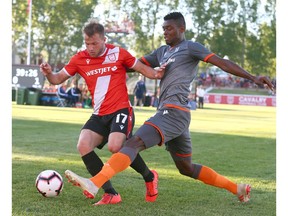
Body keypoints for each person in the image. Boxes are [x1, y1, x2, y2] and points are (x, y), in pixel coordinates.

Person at [64, 12, 275, 203]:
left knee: (133, 142)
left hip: (173, 111)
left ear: (181, 29)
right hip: (174, 116)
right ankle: (236, 188)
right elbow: (131, 65)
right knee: (186, 168)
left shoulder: (191, 47)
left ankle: (96, 182)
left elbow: (221, 63)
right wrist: (101, 63)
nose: (165, 32)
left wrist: (252, 77)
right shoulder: (162, 51)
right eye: (163, 28)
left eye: (170, 28)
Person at [40, 19, 164, 205]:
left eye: (95, 43)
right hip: (99, 114)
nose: (90, 47)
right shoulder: (79, 59)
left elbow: (141, 68)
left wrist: (157, 74)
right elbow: (57, 79)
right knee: (83, 146)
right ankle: (111, 194)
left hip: (121, 109)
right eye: (87, 43)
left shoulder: (118, 53)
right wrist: (49, 73)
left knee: (116, 147)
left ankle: (149, 177)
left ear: (104, 39)